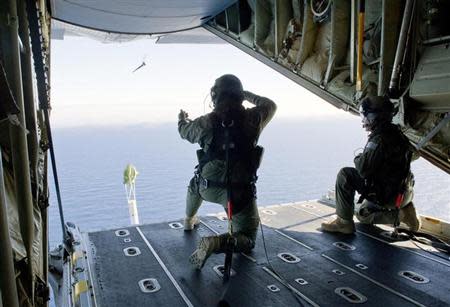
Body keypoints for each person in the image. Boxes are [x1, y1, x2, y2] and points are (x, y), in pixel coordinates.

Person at [178, 74, 276, 269]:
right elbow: (270, 105)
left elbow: (184, 132)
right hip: (238, 195)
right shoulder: (254, 118)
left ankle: (189, 220)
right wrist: (244, 94)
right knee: (248, 239)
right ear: (240, 96)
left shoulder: (206, 122)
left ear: (215, 96)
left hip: (208, 189)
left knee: (195, 183)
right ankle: (218, 242)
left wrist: (182, 120)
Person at [321, 96, 420, 234]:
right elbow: (412, 156)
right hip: (404, 193)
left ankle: (344, 223)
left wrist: (358, 158)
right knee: (365, 205)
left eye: (365, 115)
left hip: (389, 196)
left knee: (347, 178)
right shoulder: (399, 134)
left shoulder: (379, 138)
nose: (363, 119)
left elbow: (363, 170)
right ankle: (407, 210)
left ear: (374, 117)